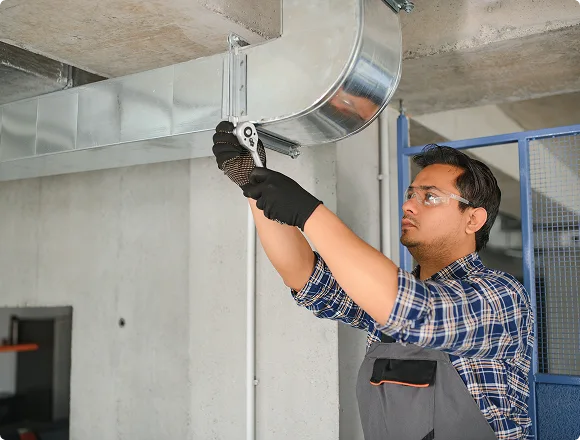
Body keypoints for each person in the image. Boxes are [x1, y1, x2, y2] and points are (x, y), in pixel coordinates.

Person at [212, 121, 534, 440]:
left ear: (473, 219)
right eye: (410, 194)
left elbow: (417, 312)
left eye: (430, 197)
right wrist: (252, 182)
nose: (408, 204)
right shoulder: (381, 294)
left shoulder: (502, 297)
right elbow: (306, 275)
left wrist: (309, 212)